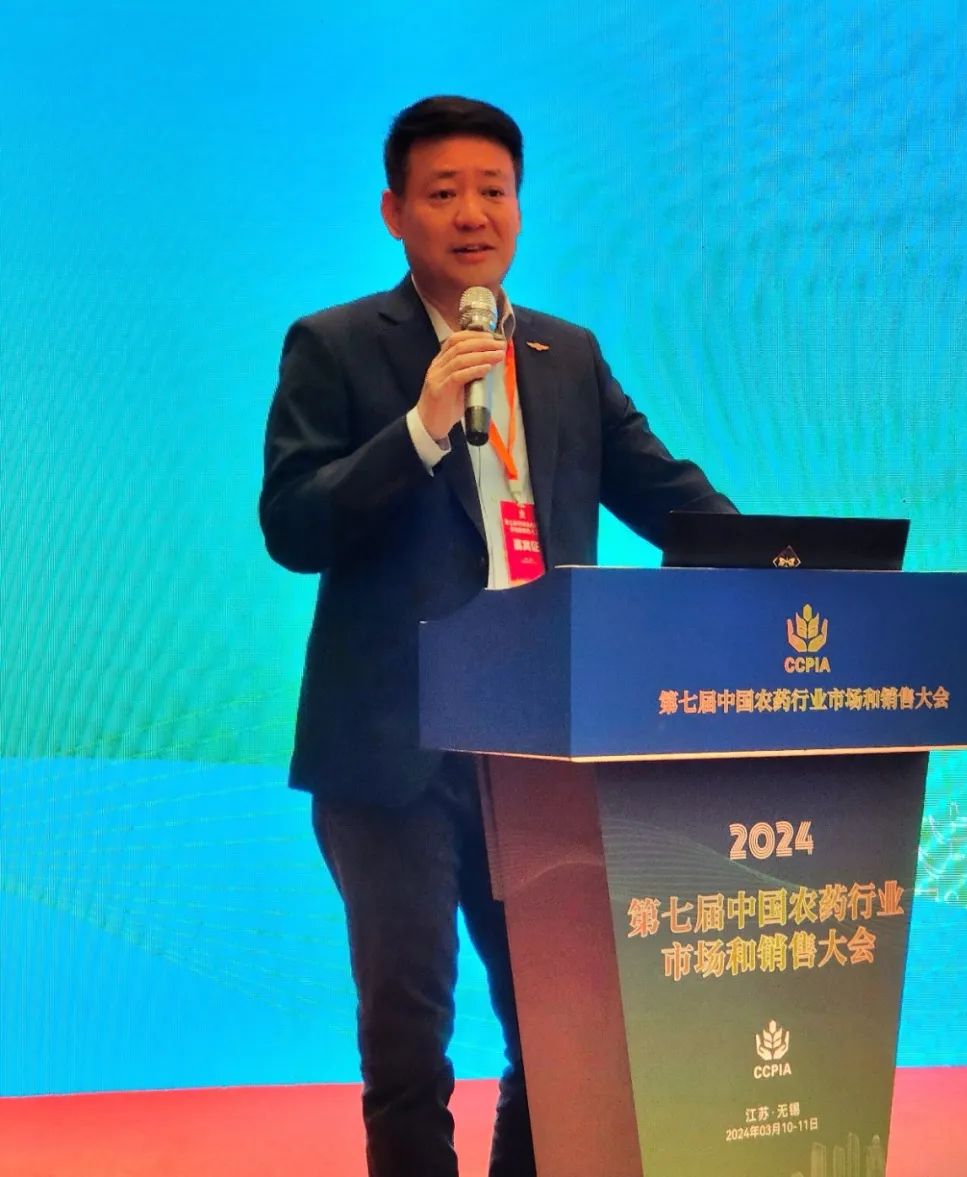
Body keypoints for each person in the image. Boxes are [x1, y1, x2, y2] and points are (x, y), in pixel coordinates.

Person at [259, 95, 735, 1177]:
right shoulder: (336, 345)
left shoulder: (565, 353)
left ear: (519, 207)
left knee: (561, 1030)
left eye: (493, 190)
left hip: (539, 745)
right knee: (409, 1044)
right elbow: (293, 524)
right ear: (395, 212)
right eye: (443, 193)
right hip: (392, 749)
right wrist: (422, 426)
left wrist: (784, 565)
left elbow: (665, 493)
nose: (472, 213)